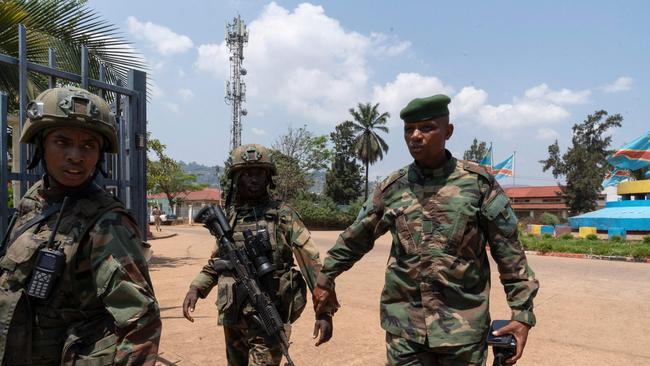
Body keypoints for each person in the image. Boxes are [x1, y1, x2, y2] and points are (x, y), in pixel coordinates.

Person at [312, 94, 539, 365]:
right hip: (405, 330)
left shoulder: (478, 185)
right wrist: (326, 277)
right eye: (409, 130)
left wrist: (522, 315)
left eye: (427, 127)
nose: (415, 136)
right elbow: (356, 237)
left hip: (463, 333)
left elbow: (510, 254)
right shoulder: (393, 188)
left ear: (448, 131)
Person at [0, 87, 162, 365]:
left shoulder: (108, 224)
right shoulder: (34, 199)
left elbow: (140, 322)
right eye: (62, 142)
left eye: (89, 145)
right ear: (41, 144)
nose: (76, 155)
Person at [182, 144, 333, 366]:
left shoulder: (282, 215)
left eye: (259, 173)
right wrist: (196, 288)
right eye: (247, 173)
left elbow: (311, 264)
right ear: (236, 178)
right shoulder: (230, 219)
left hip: (267, 317)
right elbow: (218, 263)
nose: (253, 179)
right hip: (234, 318)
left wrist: (324, 312)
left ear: (268, 177)